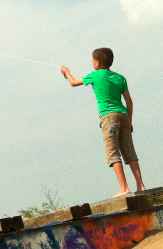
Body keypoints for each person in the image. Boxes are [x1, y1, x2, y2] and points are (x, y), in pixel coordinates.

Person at [61, 48, 147, 198]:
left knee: (112, 152)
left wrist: (66, 72)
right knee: (129, 151)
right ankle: (141, 185)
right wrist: (130, 121)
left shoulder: (95, 75)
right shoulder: (120, 78)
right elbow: (129, 102)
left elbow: (74, 83)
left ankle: (124, 187)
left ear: (97, 62)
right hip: (124, 116)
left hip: (109, 117)